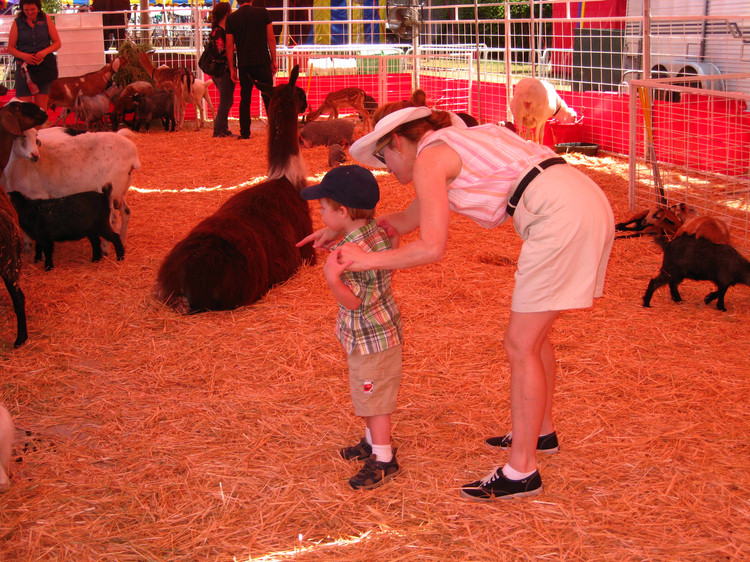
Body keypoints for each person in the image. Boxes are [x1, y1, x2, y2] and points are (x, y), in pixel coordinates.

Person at [299, 103, 615, 500]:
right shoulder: (451, 143)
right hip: (581, 200)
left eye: (384, 156)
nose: (387, 168)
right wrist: (343, 235)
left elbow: (431, 248)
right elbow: (407, 219)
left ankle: (521, 471)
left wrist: (364, 258)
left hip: (561, 215)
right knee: (534, 338)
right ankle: (540, 432)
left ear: (398, 141)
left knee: (520, 344)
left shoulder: (431, 158)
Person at [300, 165, 404, 490]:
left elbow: (354, 301)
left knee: (374, 401)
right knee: (370, 396)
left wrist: (332, 278)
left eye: (323, 209)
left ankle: (384, 458)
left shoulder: (352, 254)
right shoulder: (374, 231)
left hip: (371, 341)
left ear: (343, 212)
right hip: (380, 333)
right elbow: (393, 241)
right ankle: (372, 442)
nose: (320, 212)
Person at [224, 0, 276, 140]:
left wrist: (232, 67)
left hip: (244, 63)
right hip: (263, 61)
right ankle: (275, 130)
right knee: (269, 97)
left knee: (245, 98)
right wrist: (274, 60)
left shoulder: (231, 18)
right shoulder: (263, 13)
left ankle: (245, 132)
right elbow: (271, 38)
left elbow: (229, 45)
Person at [7, 0, 62, 111]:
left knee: (41, 108)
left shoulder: (46, 19)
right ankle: (27, 128)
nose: (30, 12)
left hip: (43, 68)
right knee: (24, 107)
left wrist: (44, 52)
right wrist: (24, 56)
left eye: (33, 9)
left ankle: (40, 128)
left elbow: (57, 43)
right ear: (22, 9)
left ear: (38, 8)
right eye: (26, 10)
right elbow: (11, 48)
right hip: (24, 68)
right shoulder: (17, 22)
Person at [208, 1, 235, 138]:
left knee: (227, 100)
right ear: (226, 14)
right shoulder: (220, 31)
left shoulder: (217, 30)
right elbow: (220, 50)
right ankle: (219, 130)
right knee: (226, 100)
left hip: (218, 70)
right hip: (223, 69)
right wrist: (232, 49)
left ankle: (222, 128)